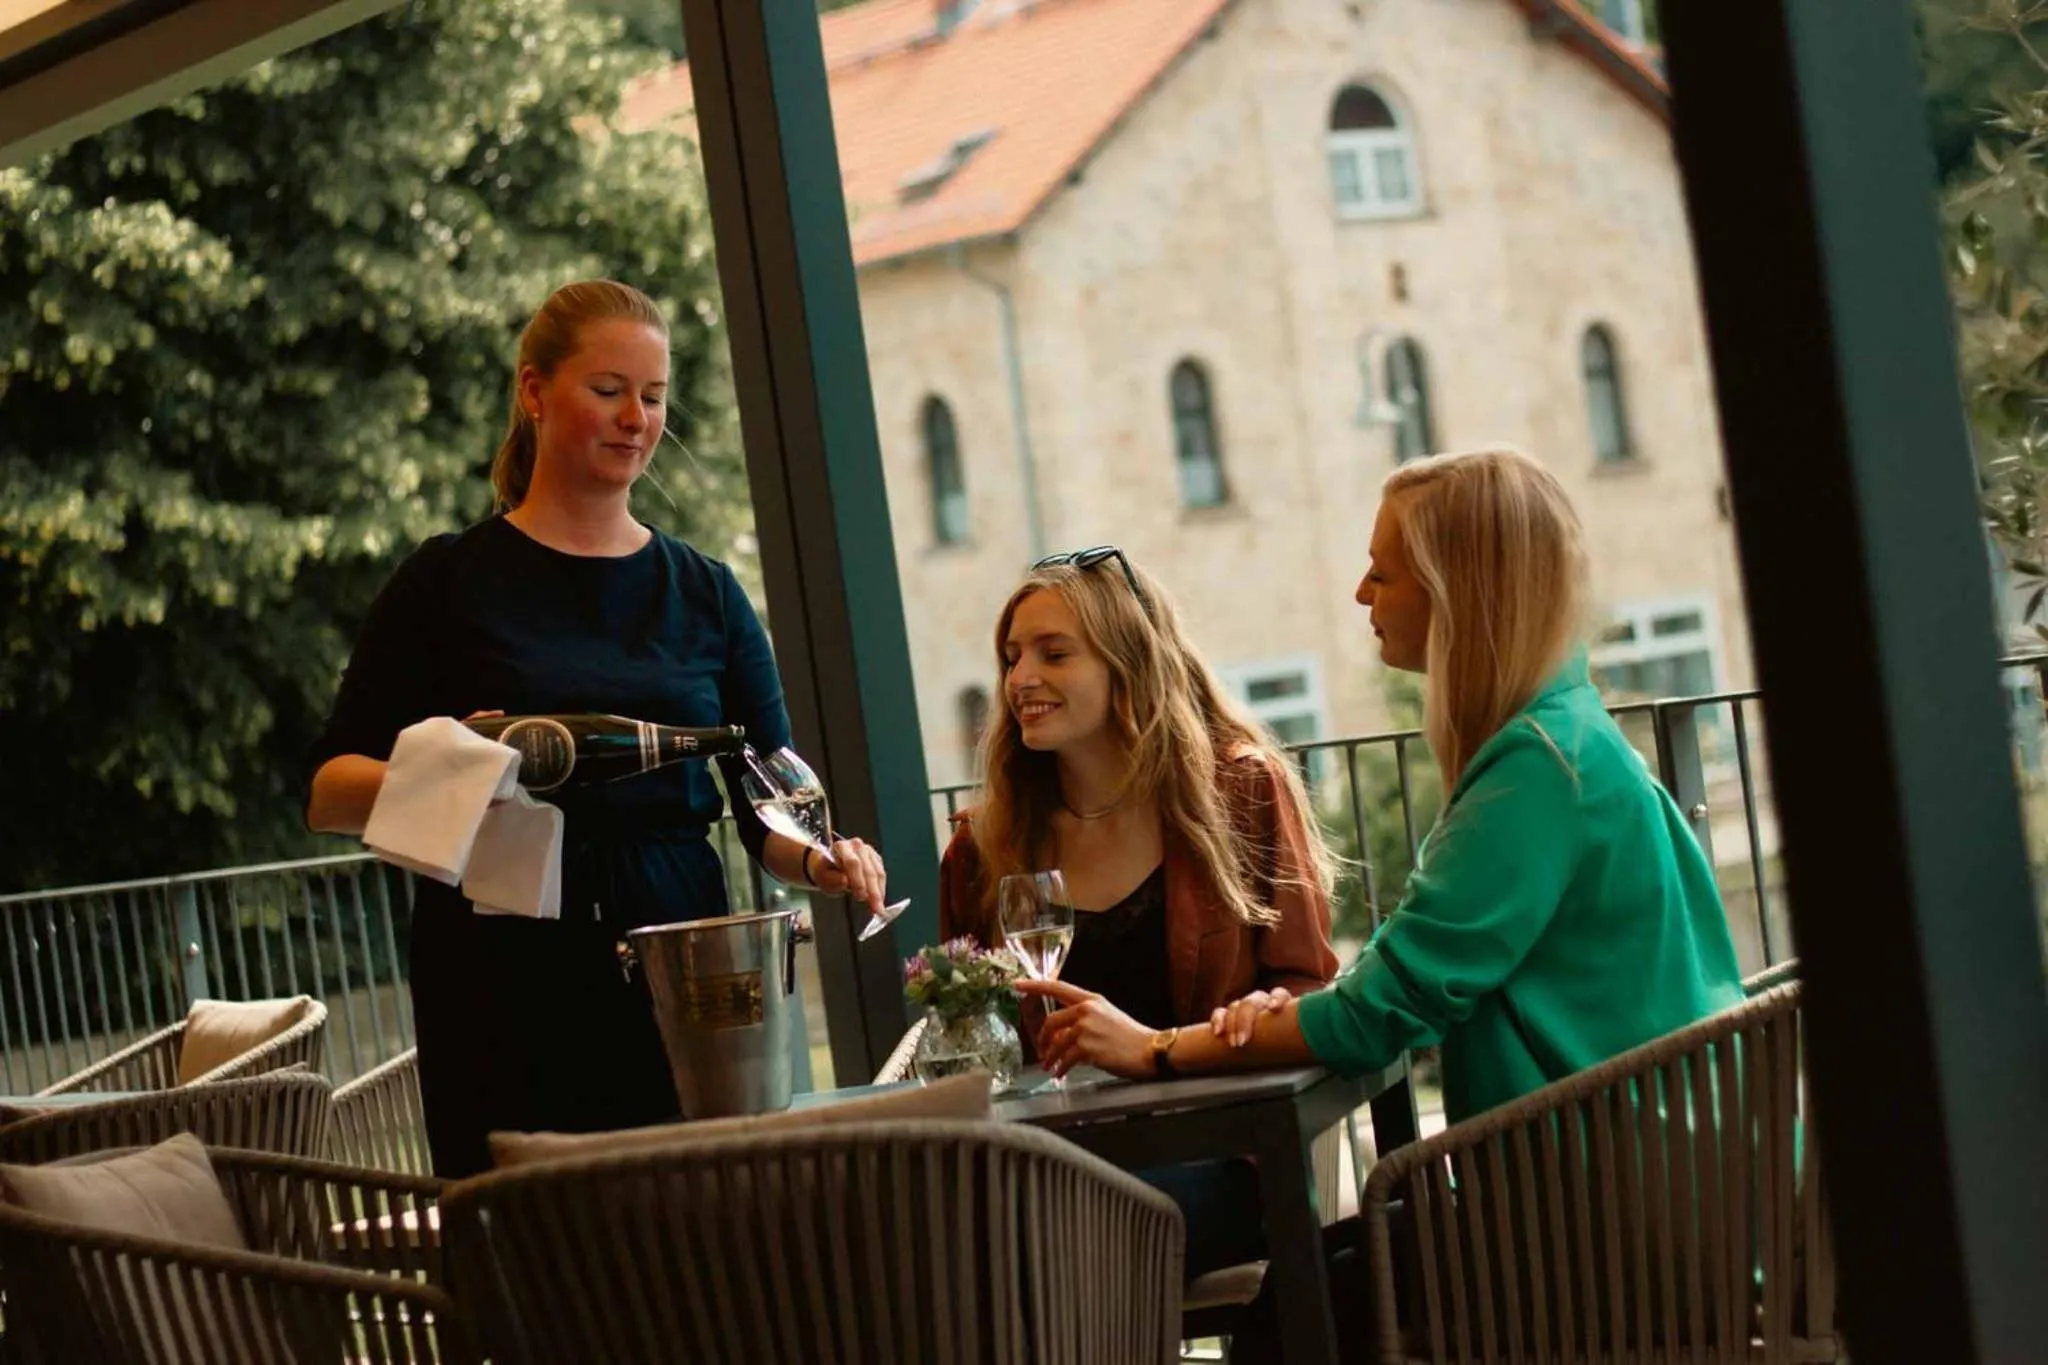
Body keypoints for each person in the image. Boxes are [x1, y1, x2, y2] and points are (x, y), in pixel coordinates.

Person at [1020, 449, 1746, 1356]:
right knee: (1311, 1290)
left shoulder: (1536, 772)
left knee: (1299, 1318)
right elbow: (1395, 983)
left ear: (1456, 588)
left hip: (1600, 1219)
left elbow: (1380, 1011)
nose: (1363, 592)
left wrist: (1155, 1048)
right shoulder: (1567, 740)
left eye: (1384, 571)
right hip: (1639, 1184)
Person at [306, 279, 891, 1178]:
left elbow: (766, 805)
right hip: (500, 970)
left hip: (682, 966)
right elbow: (327, 791)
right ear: (535, 391)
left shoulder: (707, 593)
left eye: (653, 398)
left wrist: (824, 858)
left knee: (694, 1241)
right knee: (534, 1251)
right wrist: (462, 770)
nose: (636, 419)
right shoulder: (446, 583)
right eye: (609, 390)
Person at [938, 545, 1341, 1275]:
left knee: (1036, 1250)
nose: (1021, 678)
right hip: (1057, 1166)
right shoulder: (981, 850)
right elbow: (972, 1042)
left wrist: (1209, 1030)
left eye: (1055, 654)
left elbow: (1310, 989)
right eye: (1012, 656)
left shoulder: (1240, 794)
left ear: (1127, 665)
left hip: (1223, 1157)